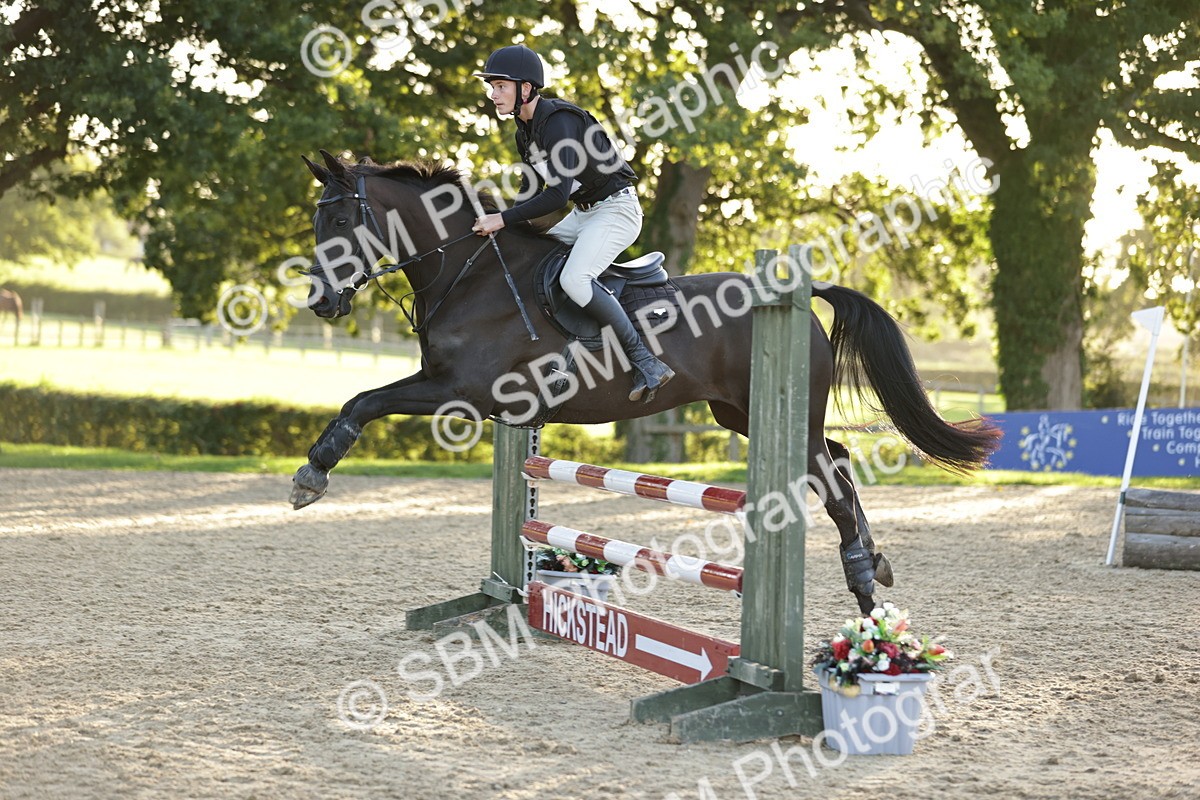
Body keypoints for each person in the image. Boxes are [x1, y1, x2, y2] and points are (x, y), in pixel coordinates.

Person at [471, 44, 673, 403]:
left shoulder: (559, 123)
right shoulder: (526, 131)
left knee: (574, 278)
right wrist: (505, 231)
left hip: (616, 211)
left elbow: (555, 197)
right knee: (532, 262)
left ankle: (646, 361)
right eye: (492, 86)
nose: (493, 93)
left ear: (527, 89)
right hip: (585, 213)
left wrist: (502, 219)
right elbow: (530, 190)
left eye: (500, 85)